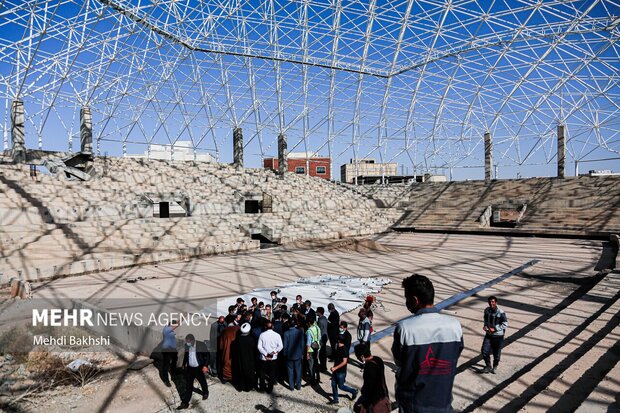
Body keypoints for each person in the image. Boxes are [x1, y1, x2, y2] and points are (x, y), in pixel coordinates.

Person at [392, 274, 463, 413]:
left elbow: (399, 361)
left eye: (407, 299)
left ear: (415, 299)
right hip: (443, 402)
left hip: (414, 405)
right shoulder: (455, 326)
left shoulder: (405, 328)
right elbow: (456, 354)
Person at [354, 343, 390, 413]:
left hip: (374, 400)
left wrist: (365, 404)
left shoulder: (369, 368)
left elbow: (370, 388)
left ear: (362, 356)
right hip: (383, 395)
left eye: (357, 356)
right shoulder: (378, 360)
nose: (357, 358)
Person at [177, 334, 209, 410]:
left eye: (188, 342)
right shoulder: (187, 346)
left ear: (193, 340)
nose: (187, 343)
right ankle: (185, 403)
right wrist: (183, 364)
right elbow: (186, 355)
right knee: (189, 386)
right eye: (186, 341)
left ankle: (205, 392)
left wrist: (205, 365)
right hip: (190, 369)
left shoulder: (201, 345)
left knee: (202, 381)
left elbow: (207, 355)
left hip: (198, 368)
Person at [328, 335, 358, 405]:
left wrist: (335, 368)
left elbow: (344, 362)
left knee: (341, 386)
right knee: (333, 384)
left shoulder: (344, 349)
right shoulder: (337, 347)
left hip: (341, 372)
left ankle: (353, 391)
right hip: (335, 370)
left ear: (339, 340)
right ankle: (335, 400)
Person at [481, 295, 508, 374]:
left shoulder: (501, 312)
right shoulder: (486, 310)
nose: (491, 303)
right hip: (489, 334)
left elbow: (505, 324)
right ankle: (488, 366)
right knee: (484, 351)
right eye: (490, 302)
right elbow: (485, 320)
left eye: (493, 302)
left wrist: (495, 328)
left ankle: (495, 366)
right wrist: (485, 326)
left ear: (496, 302)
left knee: (496, 353)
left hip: (498, 336)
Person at [257, 321, 283, 394]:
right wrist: (274, 352)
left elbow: (259, 346)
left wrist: (265, 354)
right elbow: (280, 346)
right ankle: (269, 388)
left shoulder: (262, 335)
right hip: (273, 357)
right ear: (273, 327)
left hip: (263, 357)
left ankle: (262, 388)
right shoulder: (277, 335)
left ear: (265, 327)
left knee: (262, 373)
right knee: (272, 373)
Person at [282, 318, 305, 390]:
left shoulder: (286, 333)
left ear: (289, 324)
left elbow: (285, 345)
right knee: (298, 370)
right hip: (298, 355)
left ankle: (291, 386)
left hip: (289, 355)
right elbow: (302, 343)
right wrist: (302, 353)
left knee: (290, 371)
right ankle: (298, 386)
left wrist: (284, 354)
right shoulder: (300, 332)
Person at [235, 323, 257, 391]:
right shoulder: (251, 339)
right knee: (249, 373)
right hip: (250, 359)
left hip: (240, 358)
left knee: (240, 372)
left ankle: (241, 386)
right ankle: (248, 387)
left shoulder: (238, 339)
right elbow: (254, 350)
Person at [218, 315, 240, 383]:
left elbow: (221, 344)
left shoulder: (225, 330)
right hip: (236, 350)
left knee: (226, 363)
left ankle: (225, 378)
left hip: (226, 350)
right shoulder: (238, 328)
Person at [159, 319, 179, 387]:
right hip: (167, 350)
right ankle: (165, 380)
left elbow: (176, 324)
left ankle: (173, 372)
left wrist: (180, 318)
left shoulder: (169, 328)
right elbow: (177, 325)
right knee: (166, 365)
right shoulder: (166, 329)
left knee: (174, 360)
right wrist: (183, 318)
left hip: (172, 349)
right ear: (171, 325)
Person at [306, 316, 321, 385]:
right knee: (316, 363)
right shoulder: (317, 328)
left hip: (311, 349)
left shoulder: (309, 331)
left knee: (311, 365)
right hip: (317, 347)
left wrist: (307, 353)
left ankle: (312, 380)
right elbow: (319, 337)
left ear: (309, 323)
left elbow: (308, 343)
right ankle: (318, 377)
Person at [316, 307, 329, 372]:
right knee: (323, 352)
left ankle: (323, 366)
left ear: (319, 312)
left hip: (322, 337)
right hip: (325, 336)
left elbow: (319, 330)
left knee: (322, 353)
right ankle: (323, 366)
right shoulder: (325, 318)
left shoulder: (320, 321)